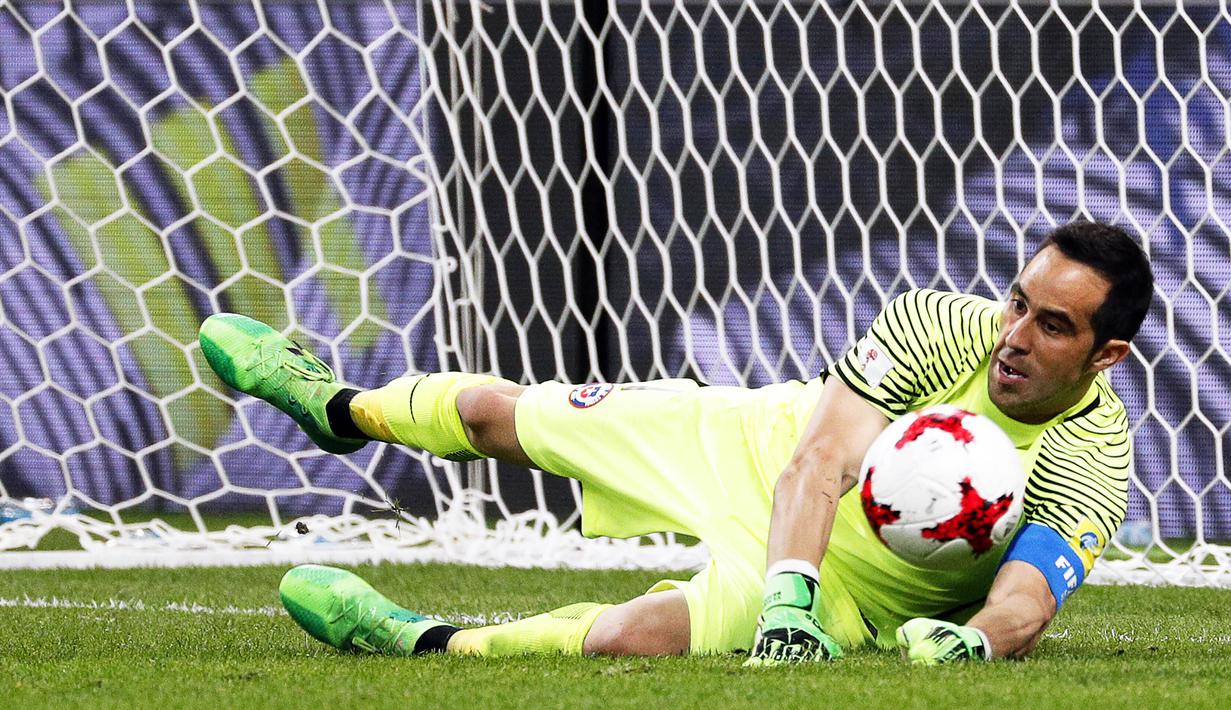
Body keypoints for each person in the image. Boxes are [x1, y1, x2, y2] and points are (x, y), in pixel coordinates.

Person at [198, 221, 1152, 665]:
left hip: (858, 597)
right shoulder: (938, 322)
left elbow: (1024, 601)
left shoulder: (1092, 457)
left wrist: (970, 647)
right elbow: (818, 462)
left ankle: (420, 643)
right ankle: (339, 406)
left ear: (1105, 354)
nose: (1013, 337)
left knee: (630, 639)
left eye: (1051, 327)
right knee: (503, 415)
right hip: (757, 449)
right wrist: (788, 599)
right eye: (1016, 303)